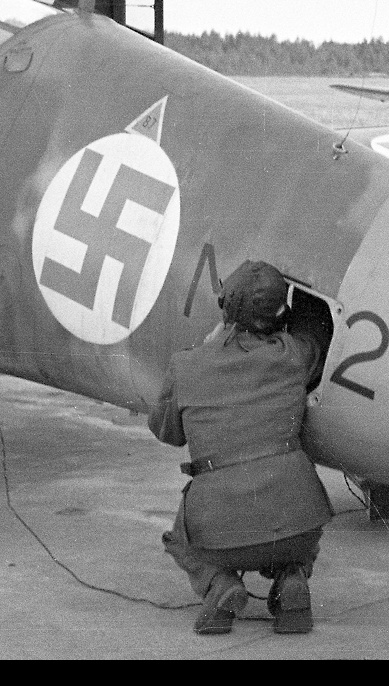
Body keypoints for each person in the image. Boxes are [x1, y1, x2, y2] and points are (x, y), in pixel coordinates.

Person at [148, 260, 333, 635]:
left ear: (225, 306)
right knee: (292, 539)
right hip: (298, 523)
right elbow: (317, 324)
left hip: (221, 533)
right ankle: (291, 580)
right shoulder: (293, 354)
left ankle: (222, 586)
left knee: (181, 542)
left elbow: (167, 432)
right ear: (280, 315)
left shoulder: (187, 365)